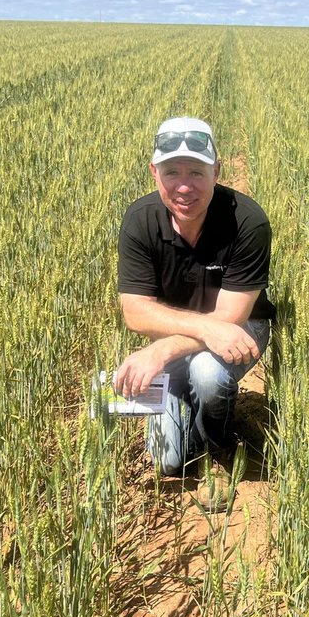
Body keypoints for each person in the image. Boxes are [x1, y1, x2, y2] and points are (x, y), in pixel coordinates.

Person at [115, 116, 275, 482]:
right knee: (170, 462)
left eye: (197, 172)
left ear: (217, 171)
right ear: (154, 172)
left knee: (207, 372)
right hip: (182, 330)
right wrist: (167, 347)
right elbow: (136, 314)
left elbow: (230, 316)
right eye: (172, 172)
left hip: (241, 326)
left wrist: (158, 351)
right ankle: (191, 421)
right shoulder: (139, 222)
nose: (184, 186)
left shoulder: (248, 222)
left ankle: (220, 441)